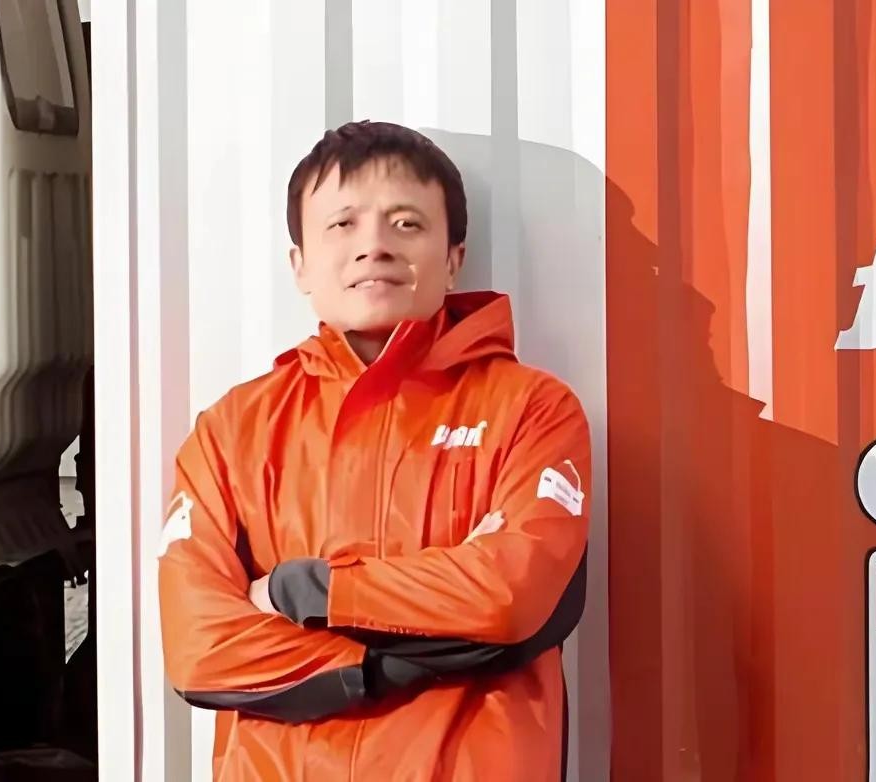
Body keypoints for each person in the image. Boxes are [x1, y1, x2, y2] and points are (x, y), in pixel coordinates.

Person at [158, 120, 592, 781]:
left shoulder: (533, 410)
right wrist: (383, 662)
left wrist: (304, 591)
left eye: (407, 223)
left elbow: (510, 595)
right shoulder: (232, 430)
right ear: (300, 265)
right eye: (343, 224)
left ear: (454, 258)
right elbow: (199, 647)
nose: (375, 246)